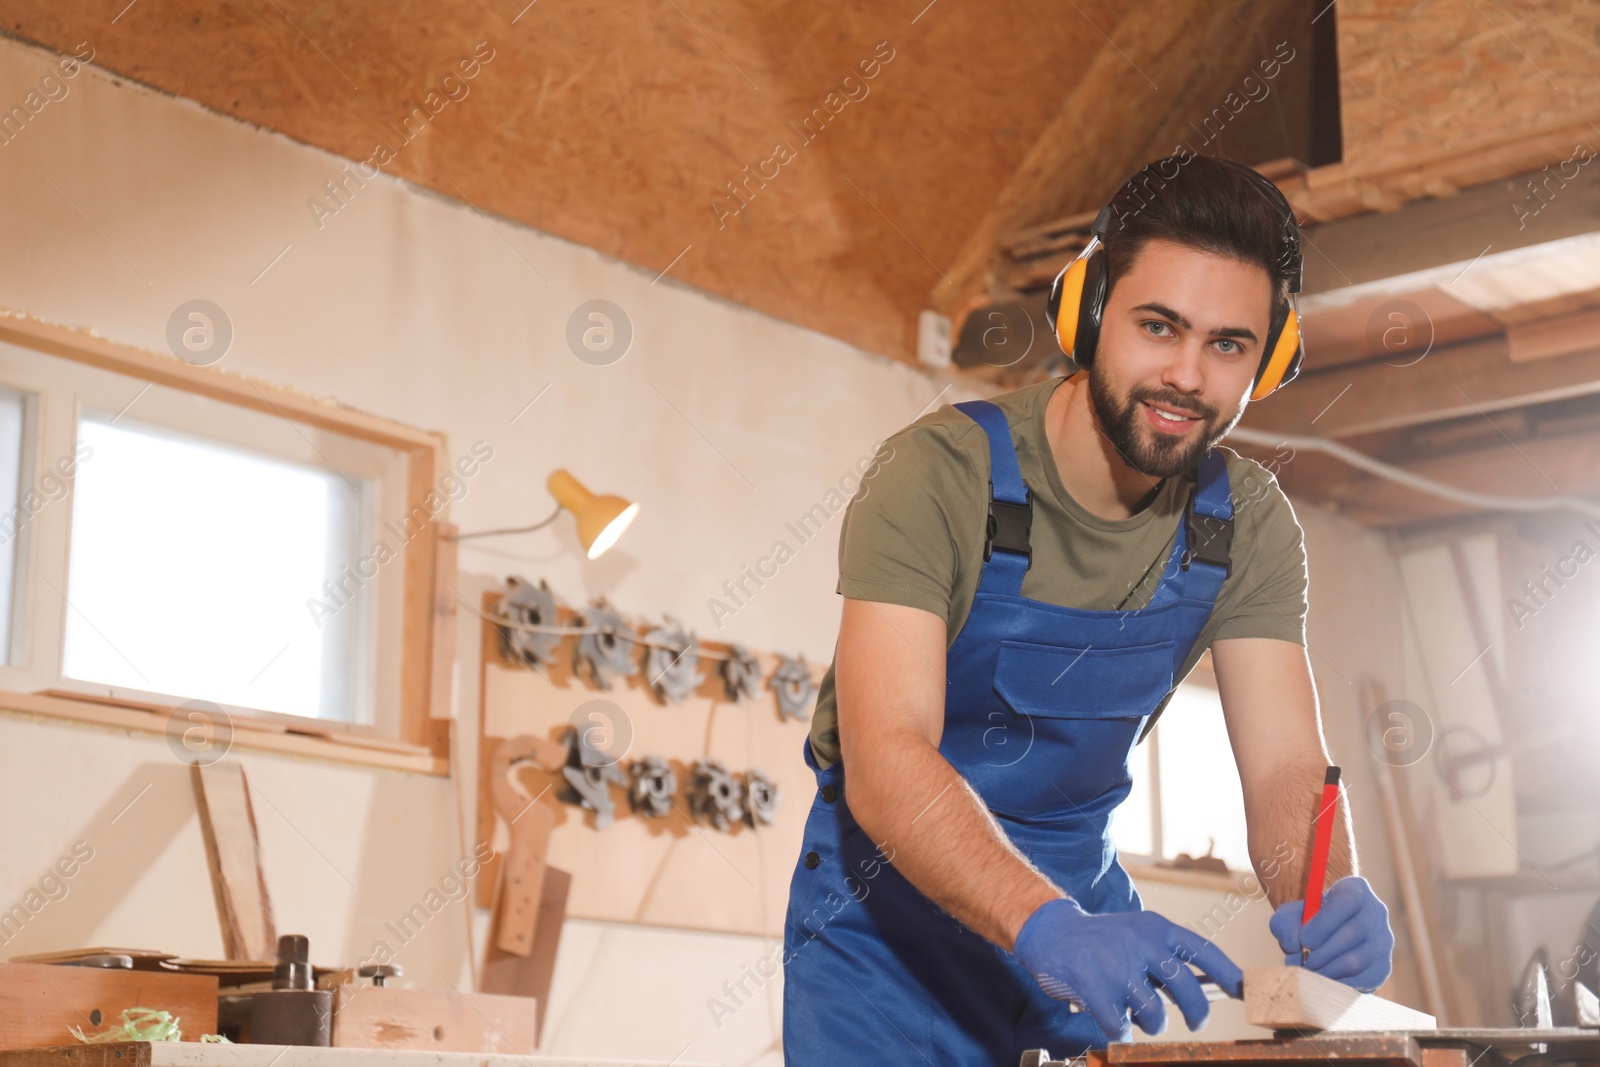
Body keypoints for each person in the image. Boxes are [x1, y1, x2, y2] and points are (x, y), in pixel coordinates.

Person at [781, 155, 1396, 1065]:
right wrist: (1044, 926)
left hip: (1090, 927)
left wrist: (1322, 886)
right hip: (886, 936)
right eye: (1159, 326)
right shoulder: (938, 475)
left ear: (1267, 362)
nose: (1187, 375)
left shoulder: (1246, 520)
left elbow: (1285, 770)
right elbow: (885, 759)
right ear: (1089, 309)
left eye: (1228, 344)